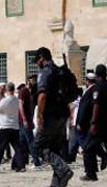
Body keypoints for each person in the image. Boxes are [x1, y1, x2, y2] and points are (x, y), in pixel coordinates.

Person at [33, 47, 74, 187]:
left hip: (50, 115)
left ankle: (64, 170)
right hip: (62, 114)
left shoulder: (46, 72)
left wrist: (39, 115)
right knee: (55, 149)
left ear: (42, 59)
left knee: (39, 146)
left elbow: (42, 95)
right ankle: (56, 184)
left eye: (37, 60)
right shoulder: (60, 71)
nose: (37, 63)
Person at [80, 64, 107, 182]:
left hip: (100, 123)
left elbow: (97, 105)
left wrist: (93, 122)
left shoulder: (97, 88)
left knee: (87, 147)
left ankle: (91, 173)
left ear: (97, 75)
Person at [0, 82, 24, 172]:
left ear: (7, 90)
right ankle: (21, 165)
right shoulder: (16, 99)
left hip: (5, 126)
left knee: (0, 148)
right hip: (14, 126)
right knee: (17, 147)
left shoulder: (5, 100)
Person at [18, 82, 41, 169]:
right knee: (23, 142)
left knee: (28, 142)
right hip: (24, 121)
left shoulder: (28, 92)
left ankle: (36, 161)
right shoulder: (24, 91)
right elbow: (21, 105)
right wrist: (25, 119)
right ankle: (22, 161)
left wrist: (26, 120)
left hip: (25, 122)